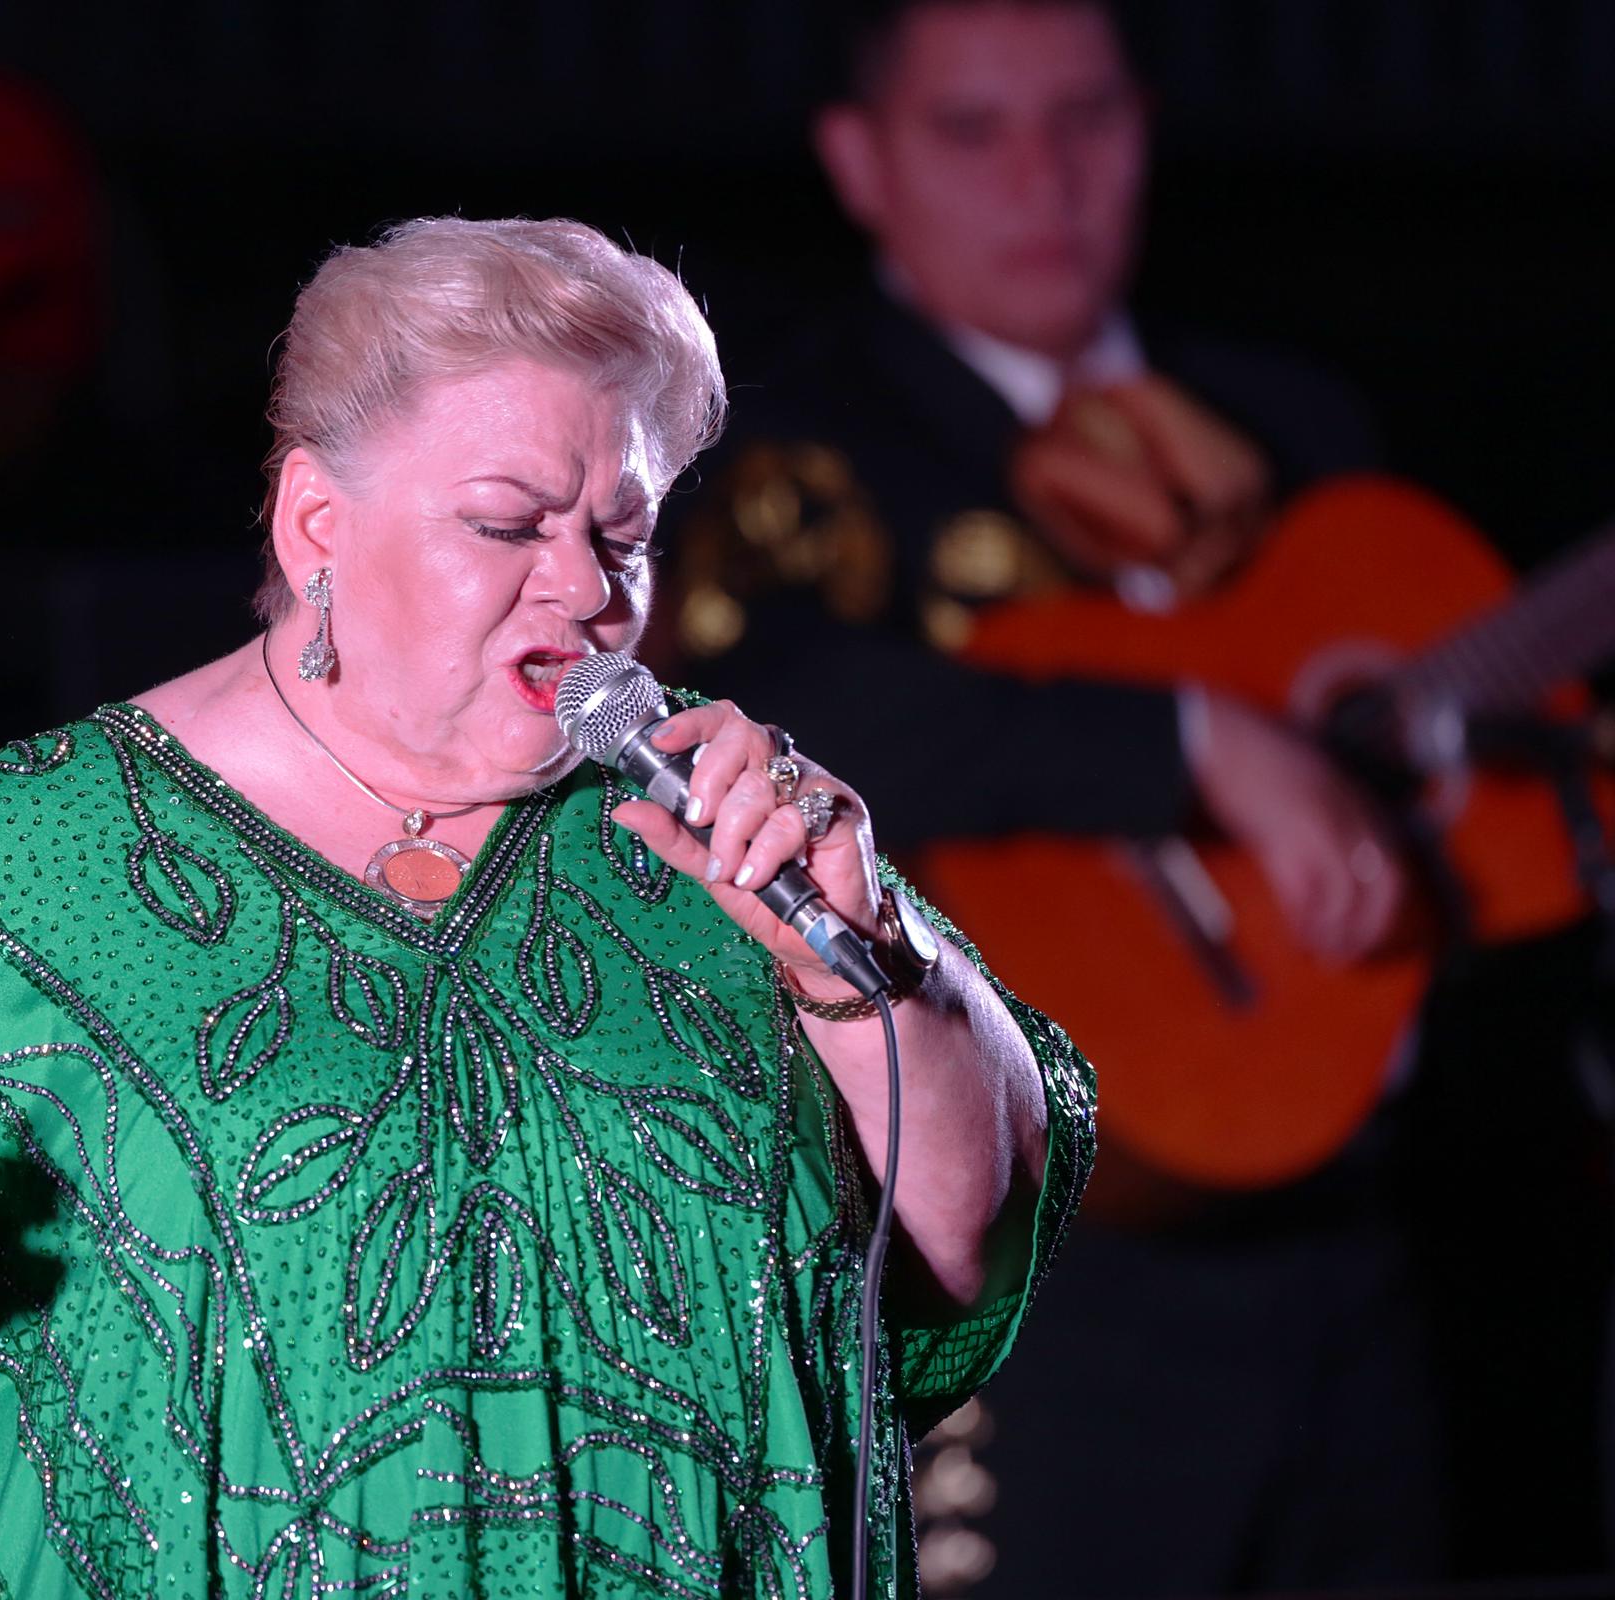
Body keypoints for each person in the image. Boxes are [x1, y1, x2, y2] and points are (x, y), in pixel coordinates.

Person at [0, 217, 1095, 1596]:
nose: (586, 590)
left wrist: (874, 971)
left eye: (622, 535)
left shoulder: (721, 814)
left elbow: (973, 1243)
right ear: (316, 525)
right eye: (510, 525)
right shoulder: (43, 856)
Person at [671, 1, 1443, 1592]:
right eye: (974, 130)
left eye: (1086, 119)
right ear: (859, 160)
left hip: (1359, 1239)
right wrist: (1195, 743)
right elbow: (781, 716)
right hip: (1037, 1278)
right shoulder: (790, 453)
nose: (1045, 179)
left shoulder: (1298, 431)